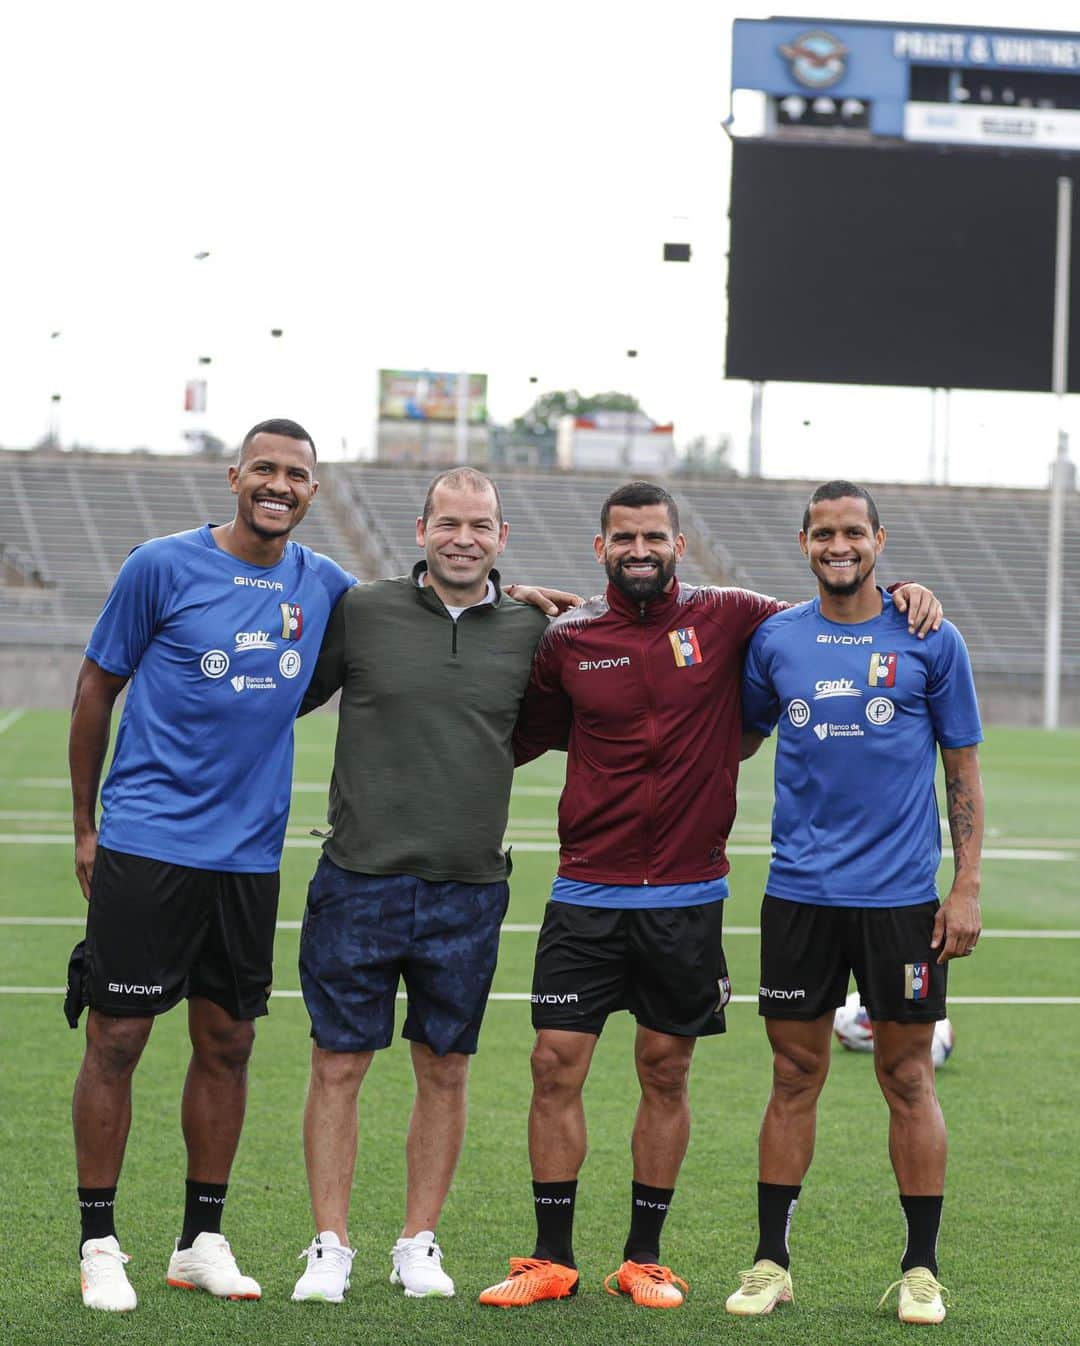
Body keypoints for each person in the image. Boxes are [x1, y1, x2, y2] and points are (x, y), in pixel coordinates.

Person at [478, 480, 943, 1311]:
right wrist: (508, 608)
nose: (640, 550)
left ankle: (643, 1258)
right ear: (601, 550)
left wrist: (903, 590)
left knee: (666, 1069)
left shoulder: (735, 614)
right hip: (587, 886)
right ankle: (549, 1256)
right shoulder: (569, 638)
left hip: (688, 895)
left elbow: (836, 596)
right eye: (624, 539)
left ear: (679, 546)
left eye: (654, 536)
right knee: (554, 1064)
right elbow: (520, 738)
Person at [66, 419, 356, 1311]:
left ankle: (200, 1239)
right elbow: (94, 689)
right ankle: (99, 1241)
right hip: (148, 841)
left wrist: (511, 589)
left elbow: (413, 612)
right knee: (117, 1037)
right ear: (235, 476)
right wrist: (86, 829)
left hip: (247, 858)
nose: (279, 484)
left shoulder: (327, 585)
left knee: (227, 1042)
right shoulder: (160, 565)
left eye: (296, 474)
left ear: (314, 490)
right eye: (263, 468)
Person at [289, 467, 558, 1305]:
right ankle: (329, 1246)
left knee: (445, 1069)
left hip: (469, 888)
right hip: (356, 878)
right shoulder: (362, 611)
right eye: (449, 522)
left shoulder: (534, 630)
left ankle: (418, 1242)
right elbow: (287, 696)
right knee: (338, 1063)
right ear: (421, 529)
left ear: (502, 538)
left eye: (480, 524)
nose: (463, 537)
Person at [725, 480, 983, 1326]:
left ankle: (922, 1269)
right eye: (823, 533)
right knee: (793, 1074)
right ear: (804, 542)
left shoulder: (929, 638)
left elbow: (962, 774)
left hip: (902, 903)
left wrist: (966, 885)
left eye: (853, 532)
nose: (839, 545)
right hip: (799, 895)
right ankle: (771, 1262)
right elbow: (735, 735)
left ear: (880, 539)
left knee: (907, 1076)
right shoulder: (776, 641)